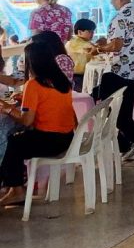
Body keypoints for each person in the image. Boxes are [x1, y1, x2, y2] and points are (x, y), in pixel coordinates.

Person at [0, 40, 77, 206]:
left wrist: (7, 108)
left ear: (31, 62)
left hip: (50, 141)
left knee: (13, 142)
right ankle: (12, 187)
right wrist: (24, 100)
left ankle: (16, 190)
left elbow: (27, 120)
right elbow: (48, 103)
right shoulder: (61, 80)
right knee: (16, 140)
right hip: (68, 137)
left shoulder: (33, 84)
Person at [91, 0, 134, 161]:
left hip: (116, 71)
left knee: (107, 108)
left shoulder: (119, 18)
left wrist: (99, 49)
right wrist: (106, 42)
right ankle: (126, 143)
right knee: (124, 113)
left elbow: (116, 46)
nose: (111, 2)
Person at [65, 18, 97, 85]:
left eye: (93, 31)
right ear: (79, 32)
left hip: (82, 75)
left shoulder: (84, 41)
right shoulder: (75, 41)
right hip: (77, 76)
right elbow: (91, 49)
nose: (92, 34)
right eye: (89, 31)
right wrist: (101, 46)